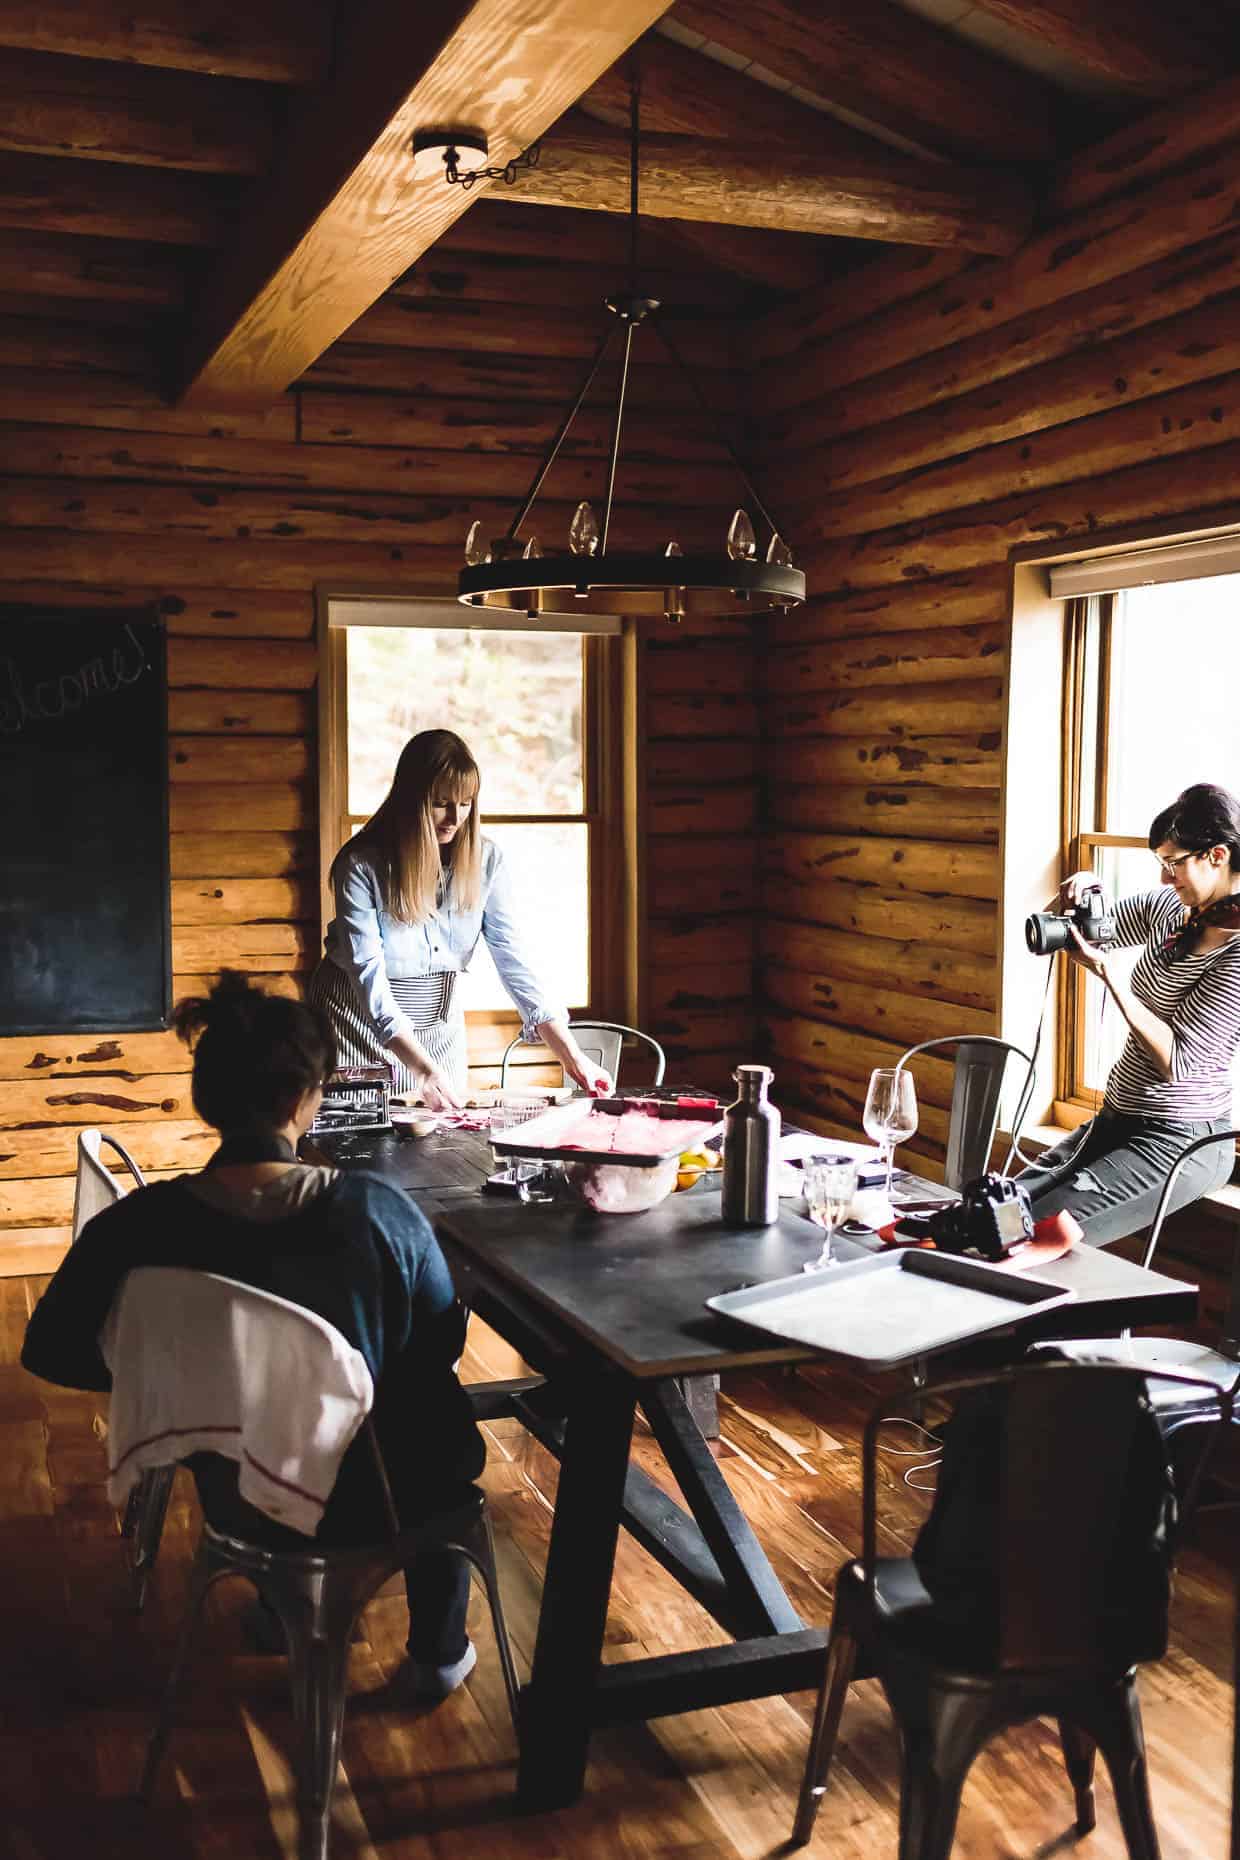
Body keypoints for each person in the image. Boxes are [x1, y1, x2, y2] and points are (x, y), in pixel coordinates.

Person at [22, 973, 486, 1697]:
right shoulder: (377, 1213)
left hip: (233, 1486)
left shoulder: (137, 1225)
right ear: (308, 1098)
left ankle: (279, 1608)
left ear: (207, 1102)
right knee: (433, 1412)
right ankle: (436, 1653)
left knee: (259, 1431)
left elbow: (48, 1347)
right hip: (380, 1493)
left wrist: (183, 1373)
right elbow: (438, 1345)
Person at [308, 727, 611, 1111]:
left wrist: (571, 1056)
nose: (455, 818)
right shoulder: (361, 864)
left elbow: (512, 957)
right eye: (441, 803)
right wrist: (422, 1069)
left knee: (442, 1133)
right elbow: (368, 973)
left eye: (466, 803)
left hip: (438, 1018)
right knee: (364, 1141)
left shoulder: (487, 861)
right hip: (357, 1016)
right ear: (411, 800)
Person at [1017, 783, 1240, 1247]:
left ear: (1217, 855)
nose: (1164, 879)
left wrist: (1108, 976)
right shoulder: (1171, 910)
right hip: (1117, 1117)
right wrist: (1074, 902)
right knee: (1000, 1208)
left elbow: (1178, 1063)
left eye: (1173, 863)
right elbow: (1066, 935)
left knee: (1030, 1236)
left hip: (1183, 1140)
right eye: (1160, 864)